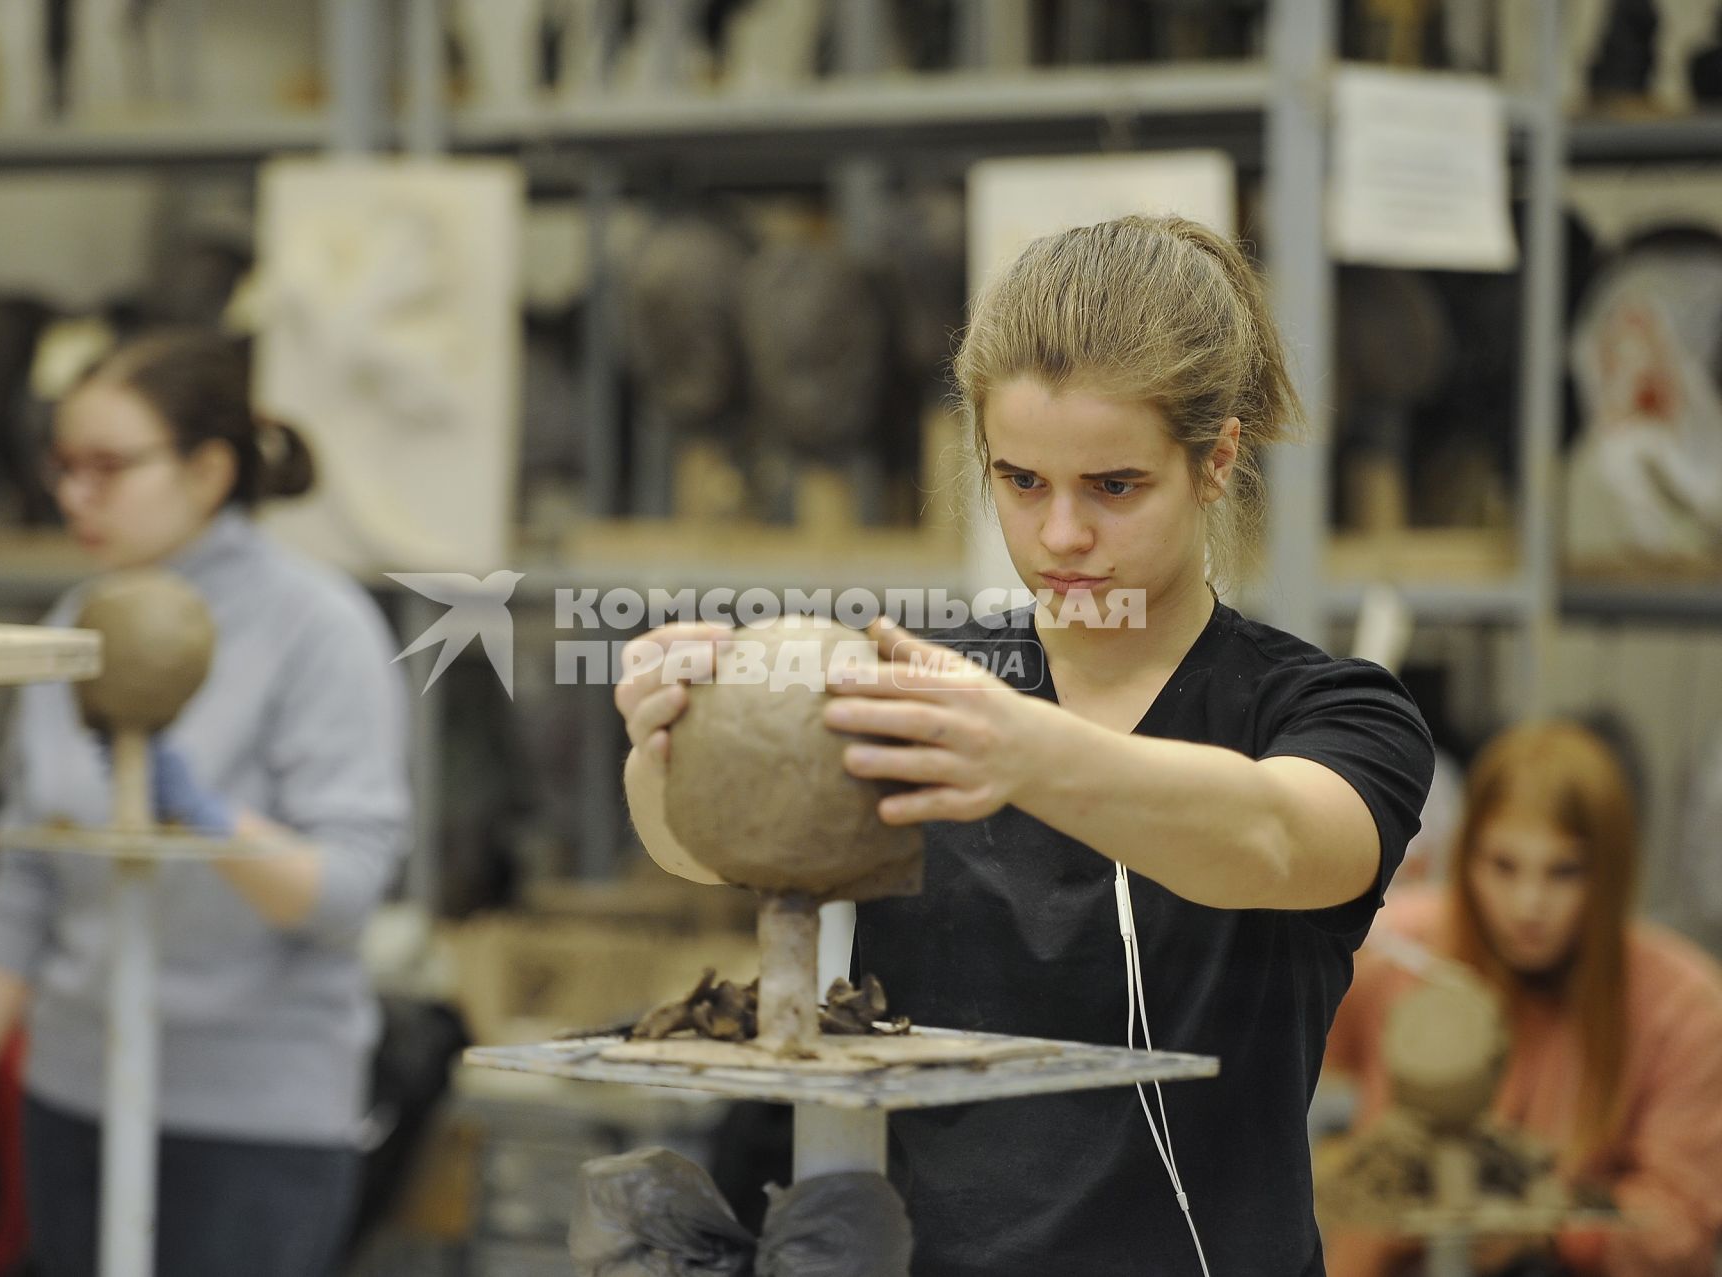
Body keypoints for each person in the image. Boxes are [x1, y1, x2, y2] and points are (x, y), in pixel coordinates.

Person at [613, 214, 1435, 1275]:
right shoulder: (926, 688)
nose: (1061, 537)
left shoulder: (1328, 711)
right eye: (1022, 481)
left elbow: (1276, 839)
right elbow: (707, 844)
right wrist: (669, 742)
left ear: (1216, 458)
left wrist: (1026, 751)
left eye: (1114, 486)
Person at [0, 331, 412, 1277]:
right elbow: (23, 891)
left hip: (252, 1118)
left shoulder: (317, 627)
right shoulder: (70, 628)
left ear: (209, 471)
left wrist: (209, 819)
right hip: (72, 1099)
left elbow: (342, 896)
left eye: (109, 468)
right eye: (64, 466)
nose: (75, 494)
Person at [1325, 721, 1722, 1277]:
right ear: (1467, 861)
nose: (1528, 904)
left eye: (1564, 871)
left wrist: (1547, 1228)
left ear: (1610, 874)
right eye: (1503, 867)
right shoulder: (1400, 954)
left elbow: (1683, 1224)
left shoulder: (1682, 1008)